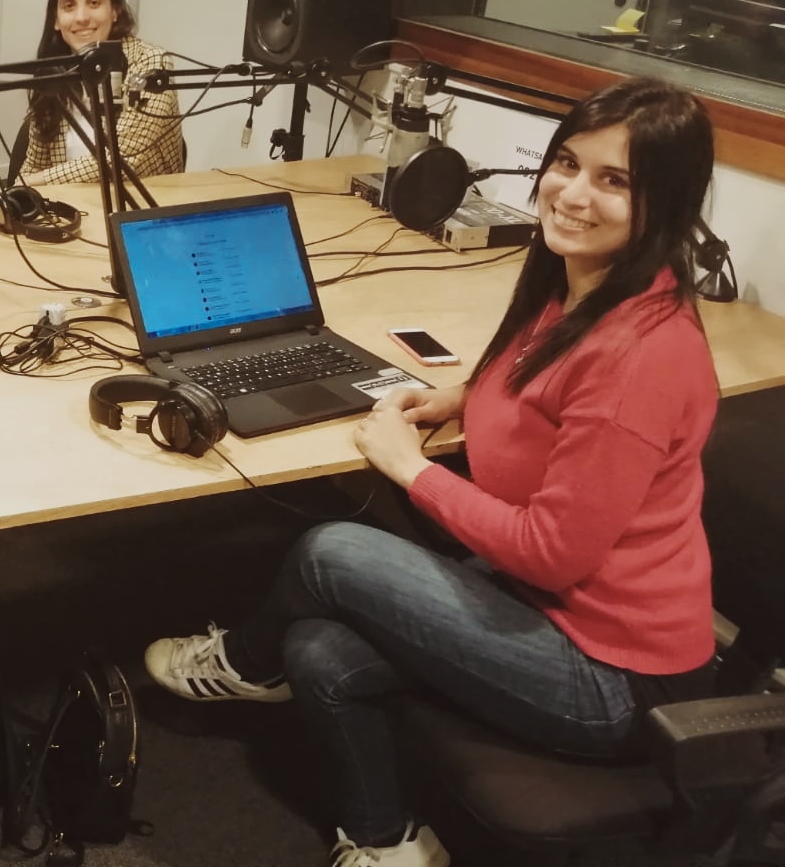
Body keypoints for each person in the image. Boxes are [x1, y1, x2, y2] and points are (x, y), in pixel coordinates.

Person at [142, 77, 721, 867]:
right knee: (317, 650)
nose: (574, 193)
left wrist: (412, 469)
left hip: (614, 678)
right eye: (568, 163)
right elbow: (545, 385)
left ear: (668, 202)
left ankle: (245, 663)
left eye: (614, 180)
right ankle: (387, 843)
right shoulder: (582, 285)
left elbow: (552, 551)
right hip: (541, 608)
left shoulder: (644, 353)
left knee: (330, 551)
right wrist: (462, 397)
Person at [19, 0, 184, 186]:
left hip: (142, 205)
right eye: (69, 6)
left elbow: (122, 158)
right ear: (56, 20)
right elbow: (33, 166)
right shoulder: (54, 74)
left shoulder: (150, 62)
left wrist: (34, 181)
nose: (81, 17)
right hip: (69, 206)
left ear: (115, 10)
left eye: (94, 3)